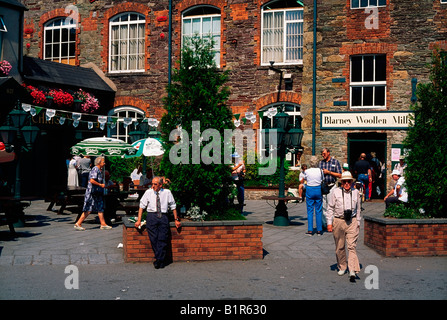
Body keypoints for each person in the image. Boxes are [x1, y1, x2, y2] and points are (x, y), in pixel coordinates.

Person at [135, 176, 181, 269]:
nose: (152, 186)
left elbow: (173, 206)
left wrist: (176, 220)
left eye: (155, 184)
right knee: (154, 238)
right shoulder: (148, 192)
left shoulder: (167, 193)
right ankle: (160, 259)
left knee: (163, 239)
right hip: (151, 216)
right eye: (152, 184)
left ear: (160, 185)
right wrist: (139, 220)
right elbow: (141, 206)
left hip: (163, 217)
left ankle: (159, 259)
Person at [326, 171, 362, 283]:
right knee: (340, 246)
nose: (346, 183)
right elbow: (330, 208)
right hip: (338, 220)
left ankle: (352, 270)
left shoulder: (356, 192)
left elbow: (359, 208)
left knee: (351, 246)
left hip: (352, 220)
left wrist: (358, 222)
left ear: (352, 182)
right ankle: (342, 266)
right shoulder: (335, 192)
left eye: (349, 181)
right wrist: (329, 223)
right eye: (344, 181)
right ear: (341, 183)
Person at [74, 157, 112, 231]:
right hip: (92, 192)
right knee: (88, 208)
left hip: (97, 192)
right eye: (103, 162)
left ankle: (103, 224)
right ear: (99, 162)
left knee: (100, 207)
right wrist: (100, 185)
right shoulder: (95, 169)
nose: (104, 163)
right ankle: (78, 223)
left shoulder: (99, 170)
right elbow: (92, 180)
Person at [320, 148, 342, 230]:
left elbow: (340, 175)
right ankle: (324, 224)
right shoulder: (321, 163)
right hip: (323, 186)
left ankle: (331, 223)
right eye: (322, 154)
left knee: (331, 205)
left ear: (328, 153)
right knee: (323, 205)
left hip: (332, 186)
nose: (323, 155)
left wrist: (329, 172)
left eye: (324, 153)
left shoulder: (335, 162)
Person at [303, 157, 323, 236]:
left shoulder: (307, 171)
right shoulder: (320, 171)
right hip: (318, 189)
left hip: (310, 189)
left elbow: (305, 179)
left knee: (310, 211)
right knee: (319, 210)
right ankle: (319, 230)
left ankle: (310, 230)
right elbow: (322, 179)